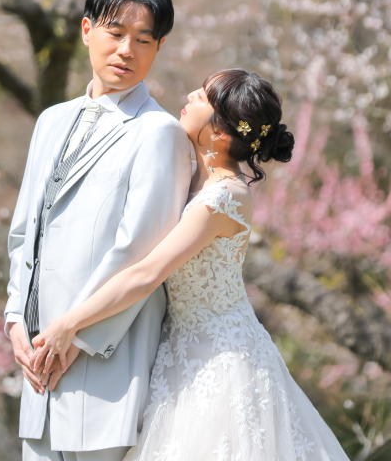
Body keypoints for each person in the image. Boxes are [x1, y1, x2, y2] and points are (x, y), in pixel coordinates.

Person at [31, 69, 350, 461]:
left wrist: (69, 323)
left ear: (219, 132)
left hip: (219, 360)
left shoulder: (223, 198)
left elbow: (146, 274)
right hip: (179, 351)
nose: (189, 94)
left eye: (201, 97)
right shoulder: (193, 178)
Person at [4, 0, 193, 461]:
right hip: (38, 372)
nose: (126, 50)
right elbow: (26, 233)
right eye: (115, 33)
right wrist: (15, 322)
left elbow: (140, 255)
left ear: (159, 47)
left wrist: (74, 334)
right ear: (88, 30)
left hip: (107, 370)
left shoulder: (159, 134)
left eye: (143, 39)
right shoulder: (51, 121)